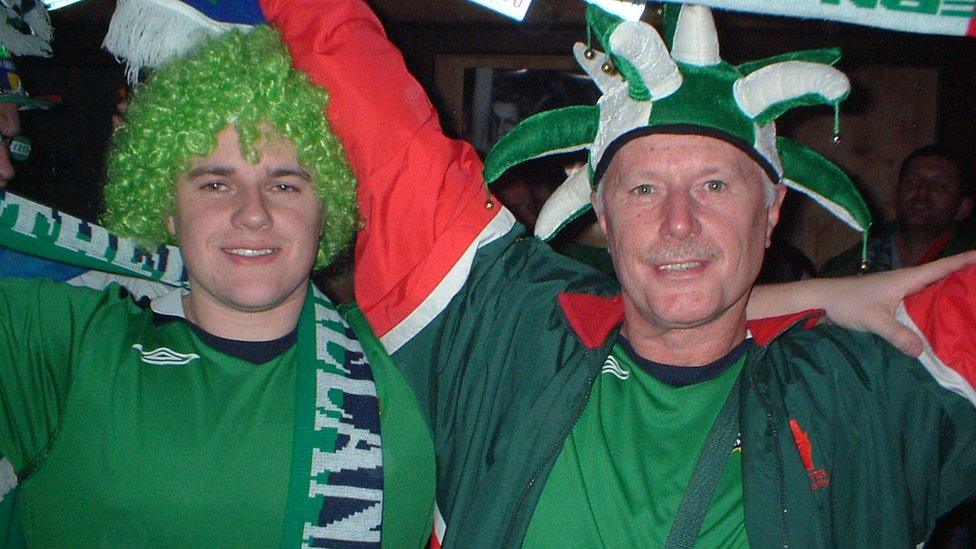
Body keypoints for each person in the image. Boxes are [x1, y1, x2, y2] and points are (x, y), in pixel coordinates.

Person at [259, 1, 976, 546]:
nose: (679, 221)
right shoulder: (498, 325)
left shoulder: (871, 388)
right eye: (642, 189)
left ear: (772, 212)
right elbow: (351, 74)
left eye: (716, 186)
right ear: (600, 208)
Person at [0, 27, 434, 547]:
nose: (253, 213)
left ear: (328, 210)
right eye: (215, 184)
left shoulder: (408, 358)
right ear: (167, 207)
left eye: (284, 184)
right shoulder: (63, 344)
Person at [821, 145, 975, 276]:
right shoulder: (849, 264)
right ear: (894, 196)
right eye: (913, 182)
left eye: (940, 186)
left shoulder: (968, 267)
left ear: (963, 207)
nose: (922, 192)